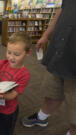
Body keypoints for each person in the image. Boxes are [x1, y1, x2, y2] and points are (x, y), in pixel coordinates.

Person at [21, 1, 76, 135]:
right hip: (59, 49)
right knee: (52, 89)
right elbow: (62, 10)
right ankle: (42, 117)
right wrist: (46, 35)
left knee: (74, 103)